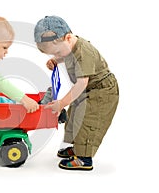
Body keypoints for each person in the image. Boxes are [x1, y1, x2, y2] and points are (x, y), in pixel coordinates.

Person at [34, 15, 119, 170]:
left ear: (68, 38)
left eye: (58, 52)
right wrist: (56, 60)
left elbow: (81, 83)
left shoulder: (83, 51)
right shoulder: (68, 47)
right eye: (54, 54)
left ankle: (83, 158)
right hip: (87, 90)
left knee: (89, 122)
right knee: (75, 117)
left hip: (101, 92)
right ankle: (78, 147)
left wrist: (62, 103)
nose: (57, 56)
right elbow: (66, 56)